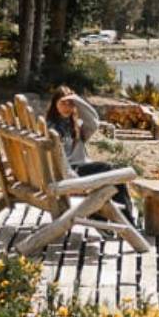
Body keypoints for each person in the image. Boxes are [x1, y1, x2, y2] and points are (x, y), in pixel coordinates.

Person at [45, 85, 136, 224]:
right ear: (54, 104)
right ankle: (126, 221)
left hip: (79, 169)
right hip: (70, 172)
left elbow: (94, 122)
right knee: (110, 171)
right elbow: (58, 158)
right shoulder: (51, 128)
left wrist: (78, 100)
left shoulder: (76, 125)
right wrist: (71, 176)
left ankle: (100, 216)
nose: (67, 107)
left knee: (112, 176)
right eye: (63, 102)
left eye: (70, 103)